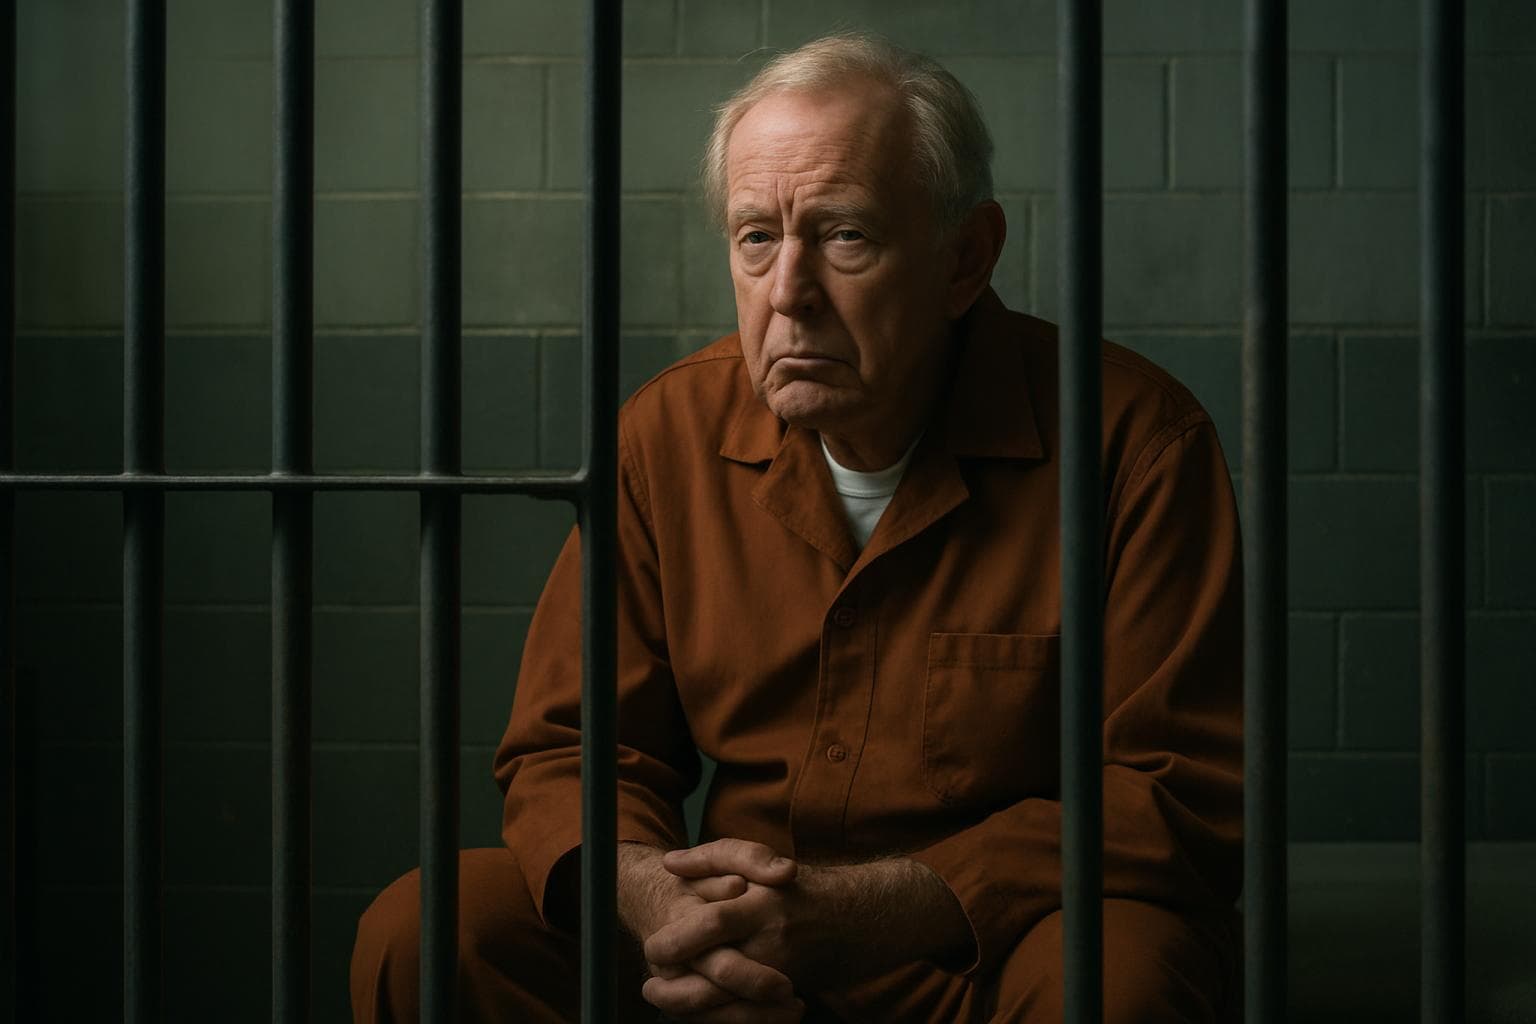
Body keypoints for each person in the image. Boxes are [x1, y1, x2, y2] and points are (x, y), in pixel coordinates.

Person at [351, 31, 1243, 1024]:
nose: (788, 294)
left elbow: (1178, 794)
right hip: (721, 948)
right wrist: (668, 912)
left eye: (845, 234)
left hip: (976, 962)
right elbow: (574, 752)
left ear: (967, 258)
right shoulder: (666, 437)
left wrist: (876, 912)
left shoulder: (1136, 445)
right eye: (756, 237)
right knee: (432, 925)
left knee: (1120, 973)